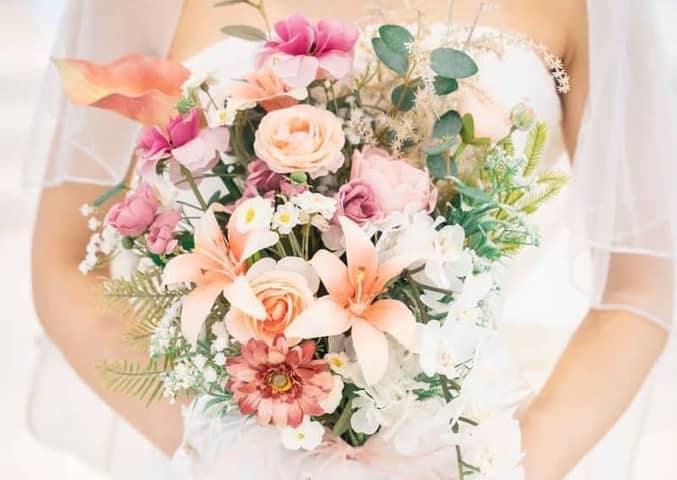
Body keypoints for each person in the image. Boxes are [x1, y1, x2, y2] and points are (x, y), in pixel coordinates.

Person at [28, 1, 676, 478]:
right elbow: (64, 263)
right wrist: (234, 451)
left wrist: (502, 466)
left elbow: (642, 284)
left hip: (452, 448)